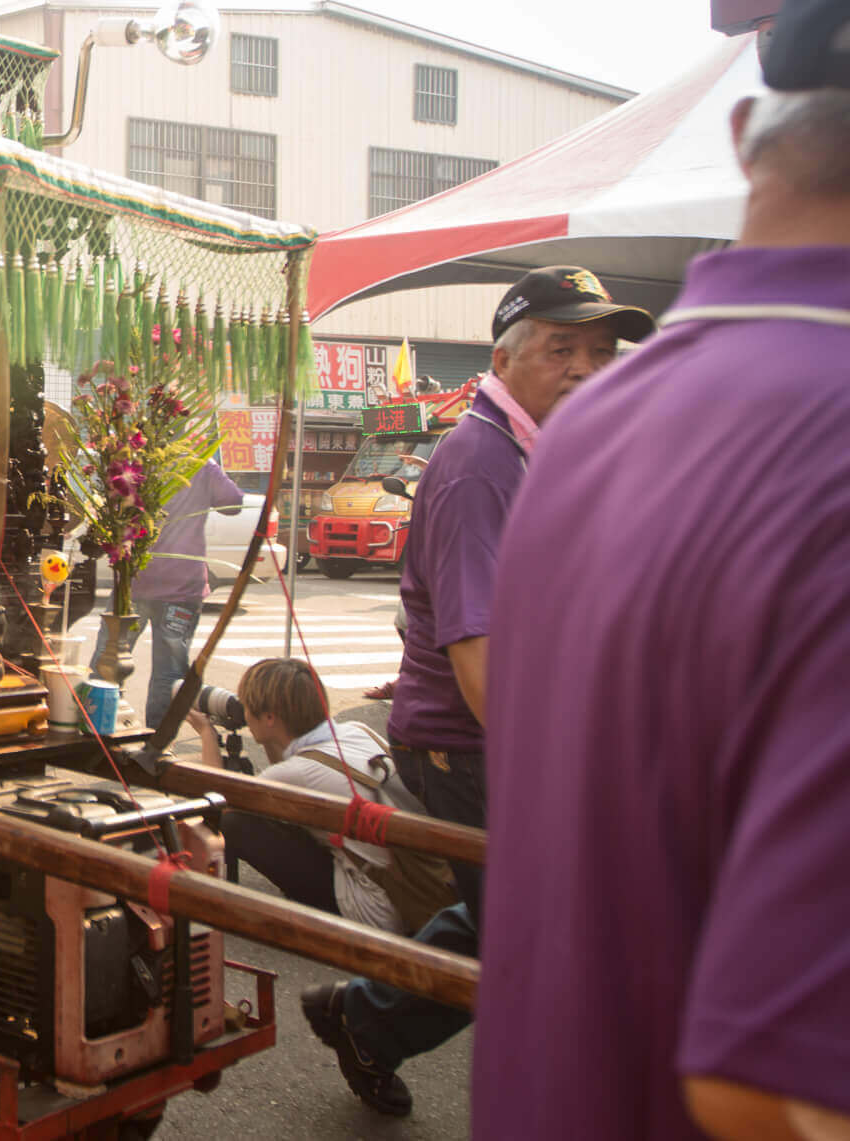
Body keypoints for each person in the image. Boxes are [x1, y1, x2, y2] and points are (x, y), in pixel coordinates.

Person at [475, 0, 850, 1141]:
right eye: (558, 347)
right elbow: (777, 1087)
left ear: (744, 135)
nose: (580, 363)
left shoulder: (596, 426)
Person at [300, 263, 651, 1117]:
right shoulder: (480, 463)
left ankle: (364, 1017)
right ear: (502, 359)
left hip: (511, 737)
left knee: (519, 925)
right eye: (561, 347)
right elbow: (481, 656)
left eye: (601, 350)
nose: (586, 367)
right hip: (475, 746)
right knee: (555, 936)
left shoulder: (546, 450)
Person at [188, 659, 441, 934]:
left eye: (248, 707)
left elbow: (217, 803)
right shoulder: (356, 730)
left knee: (235, 822)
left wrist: (206, 734)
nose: (245, 714)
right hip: (419, 884)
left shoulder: (298, 773)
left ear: (270, 718)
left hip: (377, 910)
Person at [96, 458, 244, 727]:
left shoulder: (136, 458)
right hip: (180, 586)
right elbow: (233, 502)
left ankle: (101, 728)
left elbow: (109, 503)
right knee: (169, 673)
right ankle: (157, 744)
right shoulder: (201, 464)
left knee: (107, 662)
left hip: (135, 583)